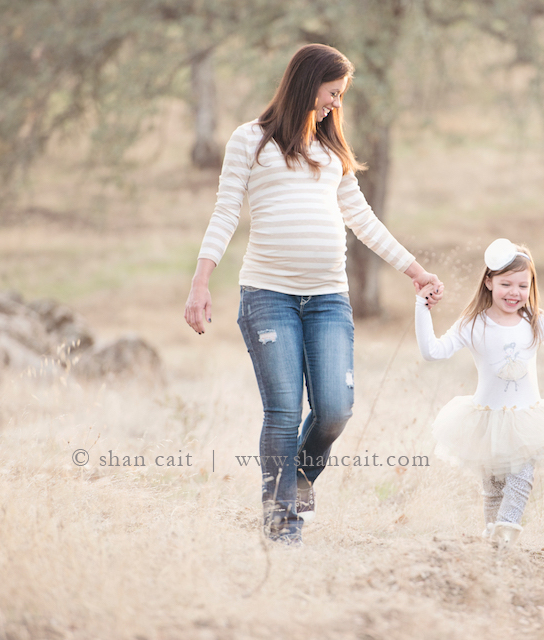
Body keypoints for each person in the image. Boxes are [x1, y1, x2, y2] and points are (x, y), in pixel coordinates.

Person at [184, 43, 443, 546]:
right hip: (268, 295)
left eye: (341, 95)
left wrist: (415, 271)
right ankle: (282, 524)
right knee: (281, 409)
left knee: (334, 410)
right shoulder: (249, 141)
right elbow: (224, 213)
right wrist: (201, 280)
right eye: (333, 92)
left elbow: (363, 220)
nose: (335, 104)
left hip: (328, 298)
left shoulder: (331, 153)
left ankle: (299, 476)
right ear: (308, 82)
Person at [416, 239, 544, 544]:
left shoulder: (535, 321)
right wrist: (422, 307)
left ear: (531, 286)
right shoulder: (473, 324)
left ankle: (504, 534)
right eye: (505, 284)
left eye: (522, 285)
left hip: (527, 421)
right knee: (493, 489)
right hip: (487, 420)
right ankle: (495, 548)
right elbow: (432, 351)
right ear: (488, 282)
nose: (514, 292)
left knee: (520, 480)